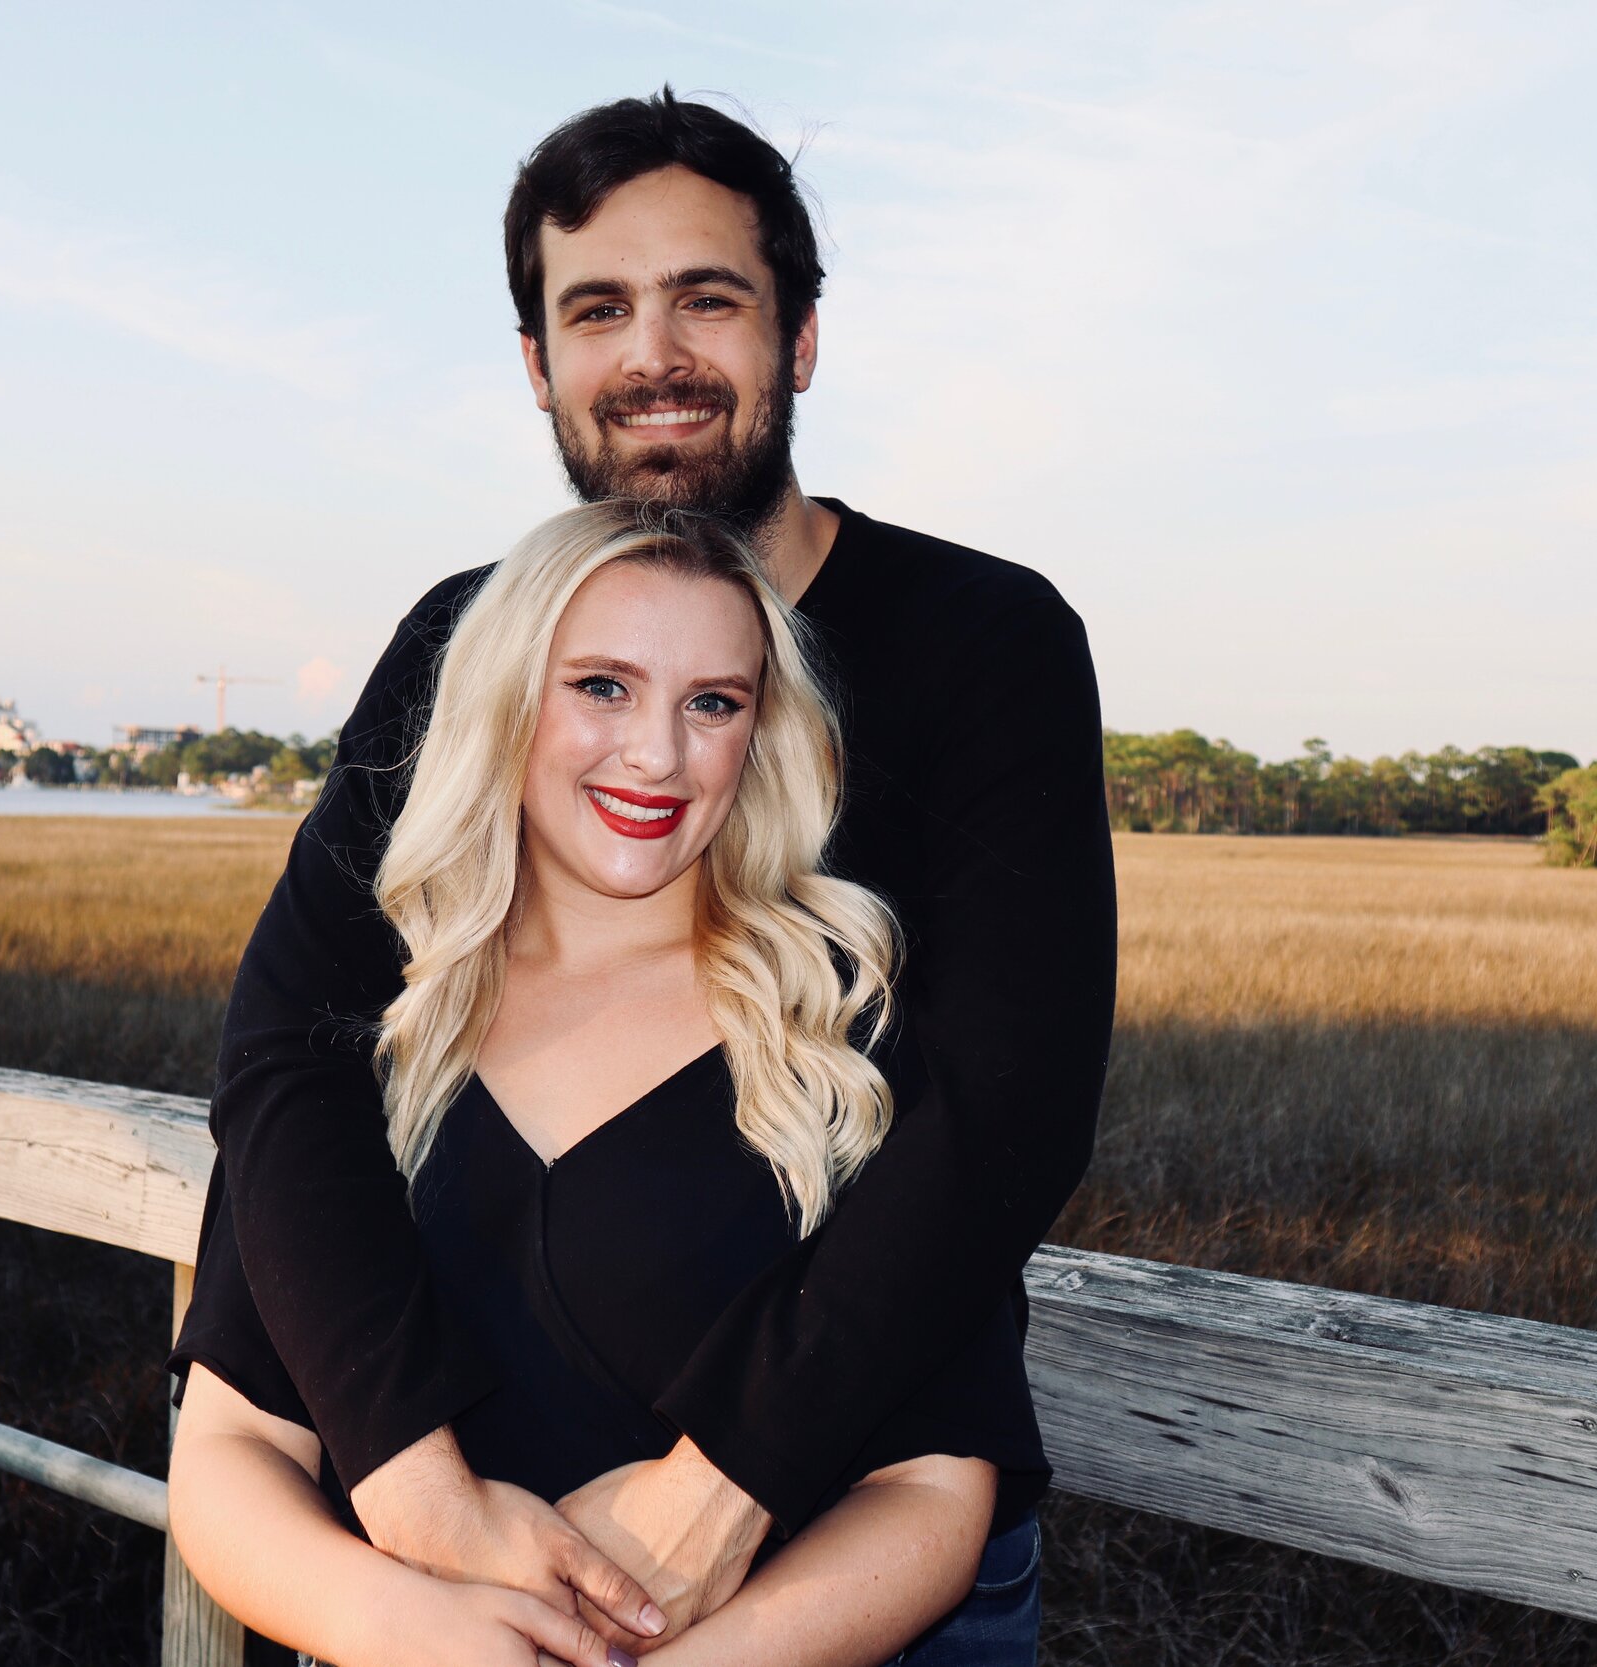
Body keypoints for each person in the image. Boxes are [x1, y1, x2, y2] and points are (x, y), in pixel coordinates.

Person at [170, 88, 1116, 1663]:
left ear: (800, 338)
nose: (654, 353)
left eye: (709, 299)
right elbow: (291, 1052)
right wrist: (418, 1502)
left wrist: (730, 1476)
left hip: (844, 1560)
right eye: (597, 308)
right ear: (538, 363)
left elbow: (1002, 1111)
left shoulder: (986, 640)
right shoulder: (454, 641)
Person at [169, 503, 1046, 1666]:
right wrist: (409, 1627)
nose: (658, 754)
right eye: (602, 686)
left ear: (761, 733)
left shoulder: (843, 1036)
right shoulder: (368, 1037)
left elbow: (933, 1489)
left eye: (713, 702)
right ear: (504, 699)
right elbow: (232, 1449)